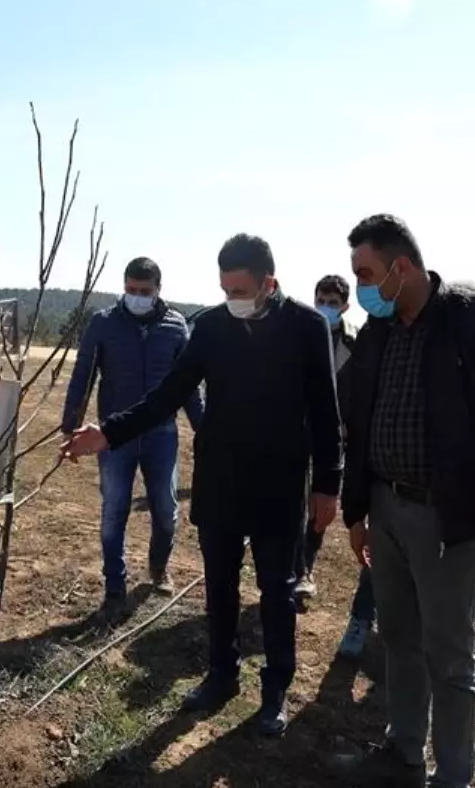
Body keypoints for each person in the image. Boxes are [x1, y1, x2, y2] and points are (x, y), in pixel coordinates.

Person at [62, 234, 342, 737]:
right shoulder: (210, 328)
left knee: (277, 591)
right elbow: (167, 395)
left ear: (269, 283)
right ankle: (221, 674)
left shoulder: (306, 327)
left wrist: (327, 484)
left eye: (240, 289)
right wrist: (109, 432)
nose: (231, 298)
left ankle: (275, 688)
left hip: (279, 482)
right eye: (224, 288)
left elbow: (325, 410)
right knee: (220, 586)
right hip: (221, 481)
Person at [334, 214, 475, 788]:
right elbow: (356, 419)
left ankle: (453, 778)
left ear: (401, 268)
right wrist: (358, 512)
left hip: (449, 517)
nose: (360, 286)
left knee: (450, 656)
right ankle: (404, 750)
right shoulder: (381, 332)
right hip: (387, 510)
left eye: (366, 273)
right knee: (399, 640)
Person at [60, 257, 203, 617]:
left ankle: (158, 566)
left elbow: (188, 387)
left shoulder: (175, 327)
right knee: (113, 512)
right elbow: (83, 375)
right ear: (123, 287)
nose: (137, 297)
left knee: (166, 512)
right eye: (131, 290)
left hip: (161, 434)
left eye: (145, 291)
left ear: (158, 289)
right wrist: (70, 425)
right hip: (113, 436)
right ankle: (114, 586)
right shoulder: (103, 323)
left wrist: (206, 430)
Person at [294, 274, 358, 601]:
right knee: (294, 500)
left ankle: (307, 565)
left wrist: (349, 424)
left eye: (334, 303)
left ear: (345, 305)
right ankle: (295, 565)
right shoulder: (297, 334)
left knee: (321, 502)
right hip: (296, 430)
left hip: (333, 436)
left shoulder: (354, 343)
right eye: (322, 300)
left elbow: (358, 391)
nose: (327, 307)